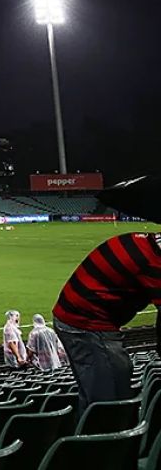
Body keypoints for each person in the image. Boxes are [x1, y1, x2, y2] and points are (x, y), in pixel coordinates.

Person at [53, 175, 161, 415]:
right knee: (111, 395)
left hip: (77, 313)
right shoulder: (155, 263)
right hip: (84, 323)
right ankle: (103, 444)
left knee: (106, 385)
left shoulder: (148, 243)